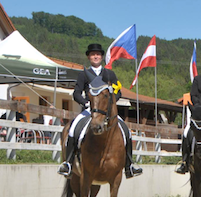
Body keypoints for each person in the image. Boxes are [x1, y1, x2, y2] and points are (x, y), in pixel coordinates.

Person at [56, 43, 143, 179]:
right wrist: (85, 103)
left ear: (101, 57)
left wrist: (110, 105)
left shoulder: (109, 74)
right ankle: (68, 163)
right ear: (89, 57)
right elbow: (76, 93)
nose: (95, 56)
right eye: (92, 54)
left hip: (107, 111)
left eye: (97, 54)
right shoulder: (84, 74)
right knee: (73, 129)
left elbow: (117, 92)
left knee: (125, 131)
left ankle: (129, 165)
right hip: (89, 110)